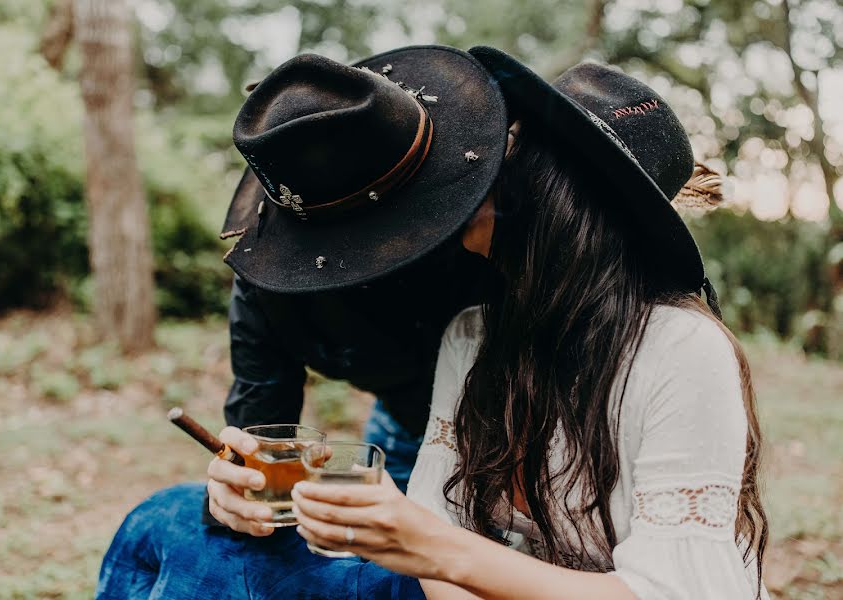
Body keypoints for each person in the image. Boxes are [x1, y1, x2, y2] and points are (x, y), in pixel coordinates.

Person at [288, 48, 770, 599]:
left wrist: (442, 551)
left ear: (565, 198)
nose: (479, 163)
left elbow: (668, 592)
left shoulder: (682, 351)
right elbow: (436, 526)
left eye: (509, 151)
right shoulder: (471, 338)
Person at [97, 45, 508, 598]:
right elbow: (257, 428)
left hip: (515, 445)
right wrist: (233, 495)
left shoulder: (499, 230)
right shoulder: (271, 284)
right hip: (403, 431)